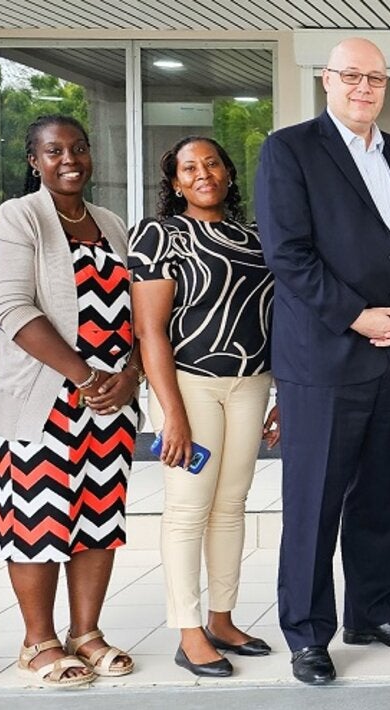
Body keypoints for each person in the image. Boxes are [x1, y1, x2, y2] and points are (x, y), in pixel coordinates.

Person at [255, 37, 390, 686]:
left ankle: (372, 612)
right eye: (352, 76)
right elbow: (288, 253)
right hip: (327, 355)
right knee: (315, 501)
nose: (365, 88)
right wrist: (356, 314)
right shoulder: (291, 150)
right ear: (326, 80)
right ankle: (307, 633)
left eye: (377, 78)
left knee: (382, 494)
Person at [0, 115, 140, 688]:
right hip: (42, 399)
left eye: (78, 148)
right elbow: (12, 309)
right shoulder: (17, 218)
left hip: (109, 403)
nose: (68, 159)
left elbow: (139, 314)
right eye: (53, 151)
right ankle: (38, 642)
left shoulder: (112, 225)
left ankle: (87, 633)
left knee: (99, 518)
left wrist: (130, 375)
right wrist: (84, 376)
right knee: (36, 520)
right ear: (34, 161)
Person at [129, 136, 278, 678]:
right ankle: (188, 629)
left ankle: (222, 618)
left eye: (212, 163)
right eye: (189, 168)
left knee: (232, 503)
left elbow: (276, 315)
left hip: (251, 381)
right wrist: (170, 413)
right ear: (174, 182)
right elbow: (150, 331)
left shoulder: (259, 237)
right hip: (190, 386)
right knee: (189, 507)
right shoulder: (159, 234)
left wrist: (281, 393)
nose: (203, 174)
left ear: (229, 173)